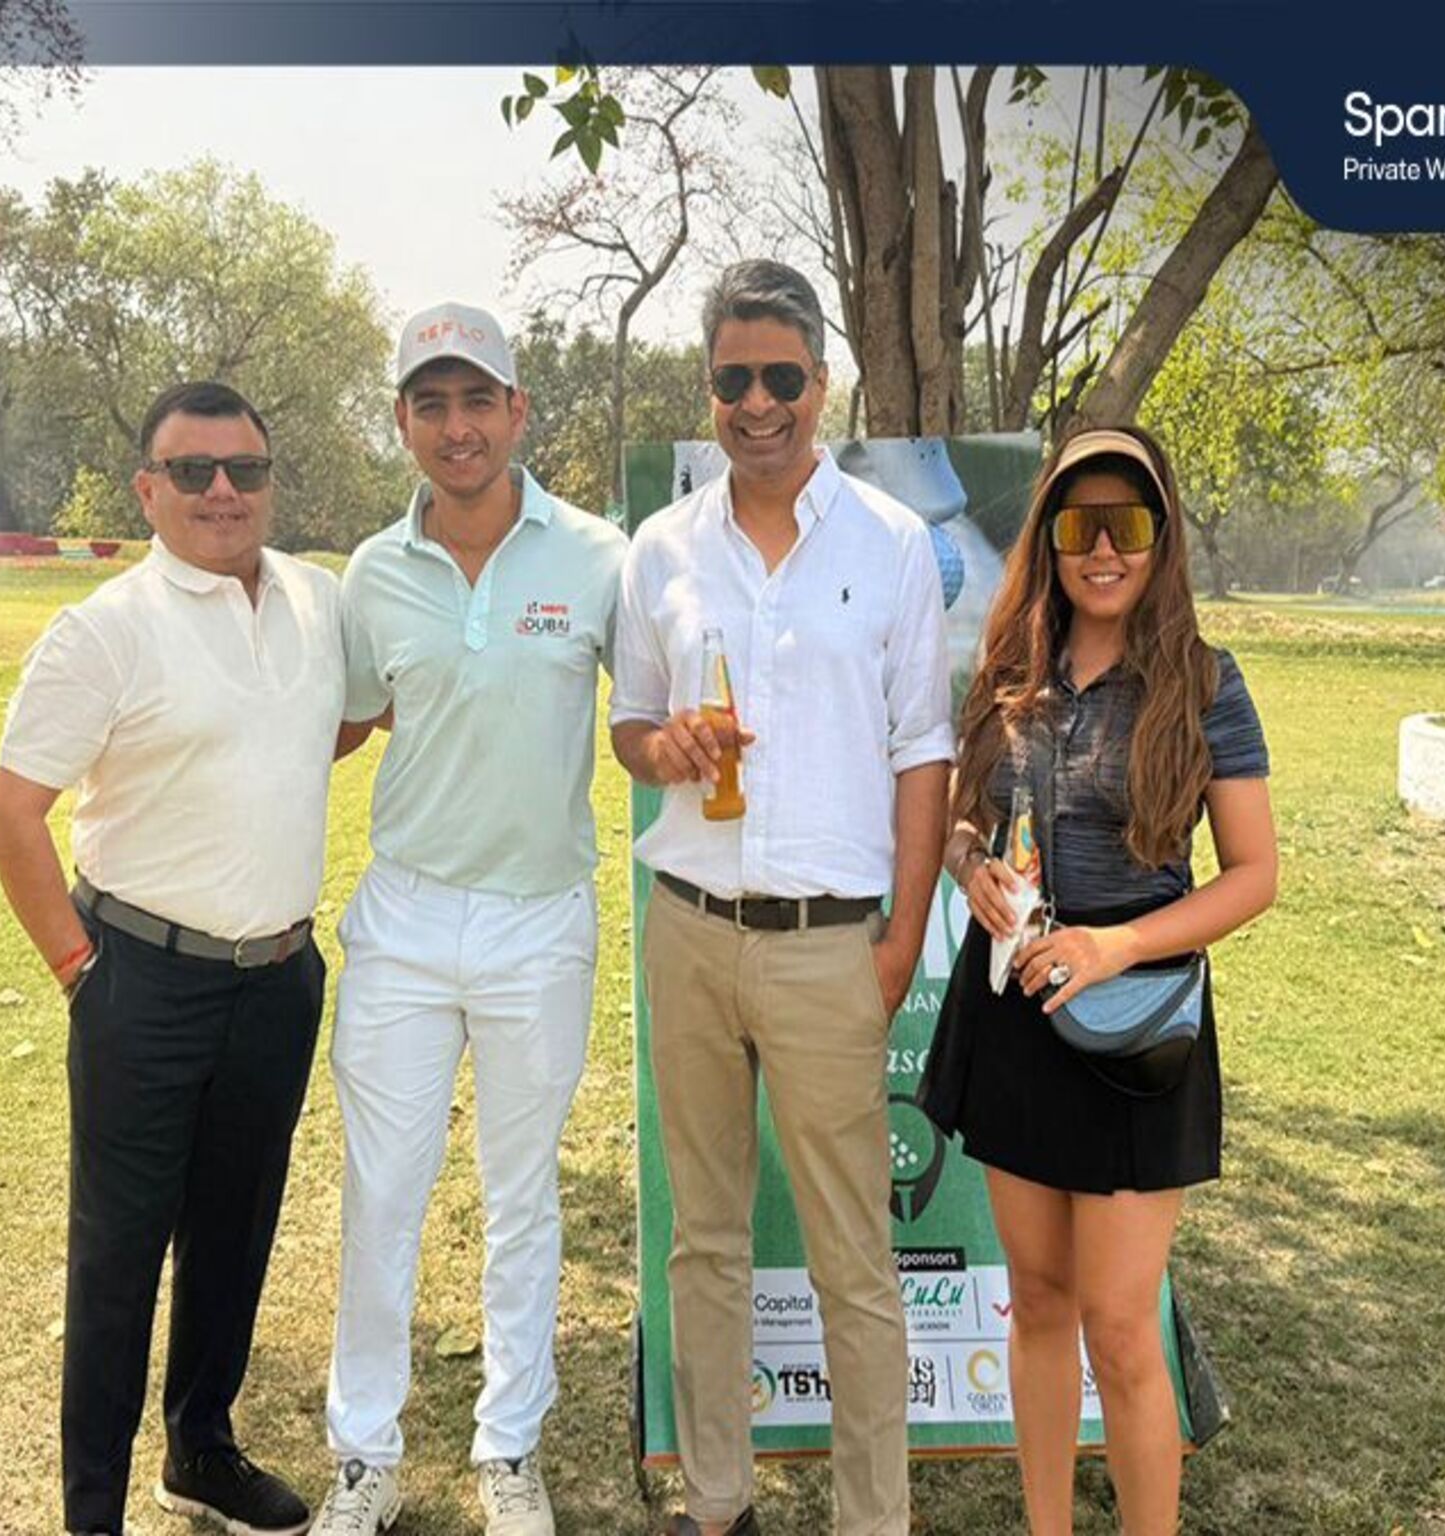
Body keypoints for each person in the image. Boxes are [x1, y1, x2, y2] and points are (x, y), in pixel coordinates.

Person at [610, 259, 954, 1536]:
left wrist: (899, 941)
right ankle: (716, 1504)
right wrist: (661, 751)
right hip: (691, 933)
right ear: (707, 388)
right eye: (732, 379)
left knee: (851, 1259)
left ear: (822, 382)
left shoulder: (891, 543)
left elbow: (924, 751)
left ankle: (873, 1520)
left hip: (828, 947)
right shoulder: (660, 550)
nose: (756, 404)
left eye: (780, 378)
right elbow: (629, 726)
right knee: (703, 1241)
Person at [0, 381, 345, 1536]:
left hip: (277, 980)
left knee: (235, 1234)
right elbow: (11, 815)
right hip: (139, 980)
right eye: (193, 471)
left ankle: (201, 1450)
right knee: (121, 1256)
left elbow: (329, 727)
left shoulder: (315, 600)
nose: (222, 491)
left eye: (245, 469)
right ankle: (92, 1510)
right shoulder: (104, 629)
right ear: (148, 489)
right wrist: (79, 975)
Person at [920, 424, 1278, 1536]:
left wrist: (1114, 947)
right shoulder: (1007, 671)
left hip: (1132, 1031)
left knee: (1122, 1332)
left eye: (1126, 524)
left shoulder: (1206, 685)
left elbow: (1254, 875)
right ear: (1051, 540)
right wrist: (972, 866)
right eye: (1081, 527)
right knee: (1036, 1304)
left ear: (1160, 538)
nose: (1104, 550)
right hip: (1016, 1017)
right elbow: (962, 819)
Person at [309, 302, 627, 1536]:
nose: (457, 428)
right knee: (381, 1194)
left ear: (516, 411)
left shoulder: (595, 555)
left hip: (539, 921)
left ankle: (508, 1449)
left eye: (476, 400)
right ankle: (364, 1457)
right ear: (402, 421)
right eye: (431, 404)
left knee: (519, 1195)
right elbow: (345, 719)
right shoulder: (373, 572)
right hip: (403, 917)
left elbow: (652, 713)